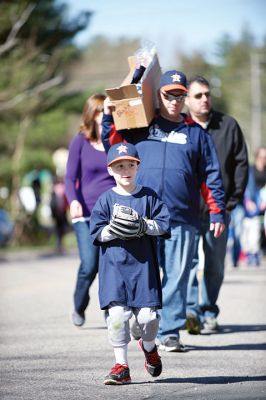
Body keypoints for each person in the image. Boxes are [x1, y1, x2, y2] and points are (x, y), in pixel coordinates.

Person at [102, 70, 226, 352]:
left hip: (181, 218)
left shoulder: (196, 134)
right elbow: (113, 146)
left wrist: (217, 211)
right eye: (169, 94)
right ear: (159, 96)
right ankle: (140, 319)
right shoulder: (140, 126)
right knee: (139, 274)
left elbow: (211, 176)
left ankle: (169, 331)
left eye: (180, 95)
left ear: (185, 98)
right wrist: (109, 116)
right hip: (141, 215)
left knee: (177, 275)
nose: (174, 100)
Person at [90, 142, 170, 385]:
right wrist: (112, 229)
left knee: (148, 319)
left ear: (138, 167)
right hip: (114, 270)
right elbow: (96, 233)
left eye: (130, 165)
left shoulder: (149, 196)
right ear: (110, 170)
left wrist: (145, 225)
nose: (125, 170)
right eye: (119, 166)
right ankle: (121, 366)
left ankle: (149, 348)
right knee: (116, 318)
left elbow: (164, 224)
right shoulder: (105, 200)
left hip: (143, 269)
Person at [185, 75, 249, 334]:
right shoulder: (181, 128)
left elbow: (241, 164)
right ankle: (191, 312)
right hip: (187, 211)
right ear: (186, 99)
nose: (205, 99)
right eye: (198, 95)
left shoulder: (228, 125)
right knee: (187, 263)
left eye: (207, 94)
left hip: (218, 211)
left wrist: (230, 203)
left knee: (215, 265)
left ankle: (209, 311)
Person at [65, 94, 115, 327]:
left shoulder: (114, 140)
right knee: (90, 265)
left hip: (111, 214)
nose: (103, 115)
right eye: (99, 111)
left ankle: (110, 310)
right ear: (90, 115)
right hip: (85, 214)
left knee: (110, 265)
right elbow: (69, 177)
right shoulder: (80, 141)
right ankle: (78, 304)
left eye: (106, 111)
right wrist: (73, 200)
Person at [241, 146, 266, 266]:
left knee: (256, 231)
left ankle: (255, 252)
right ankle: (250, 253)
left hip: (263, 205)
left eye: (265, 157)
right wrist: (248, 201)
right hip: (251, 205)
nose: (263, 159)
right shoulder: (250, 170)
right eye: (261, 156)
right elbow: (245, 187)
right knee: (248, 230)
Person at [50, 176, 69, 254]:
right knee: (60, 231)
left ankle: (60, 247)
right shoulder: (59, 189)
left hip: (61, 213)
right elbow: (53, 203)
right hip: (58, 213)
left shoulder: (58, 189)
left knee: (60, 231)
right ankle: (59, 247)